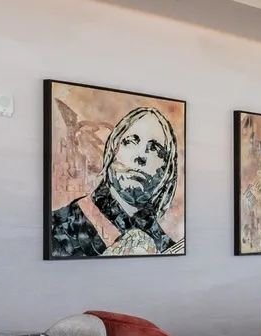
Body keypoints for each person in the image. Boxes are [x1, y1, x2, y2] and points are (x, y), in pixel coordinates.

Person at [49, 105, 184, 258]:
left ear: (167, 173)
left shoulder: (169, 250)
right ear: (112, 150)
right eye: (131, 141)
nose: (141, 156)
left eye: (155, 149)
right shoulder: (57, 228)